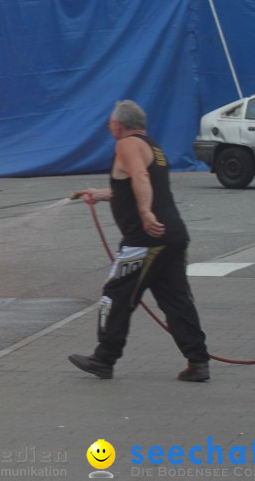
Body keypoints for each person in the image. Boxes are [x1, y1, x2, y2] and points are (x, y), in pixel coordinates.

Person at [68, 100, 211, 382]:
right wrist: (100, 193)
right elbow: (132, 185)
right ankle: (198, 361)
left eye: (110, 122)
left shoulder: (127, 144)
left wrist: (145, 213)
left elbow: (141, 178)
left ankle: (104, 359)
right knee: (177, 301)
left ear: (117, 125)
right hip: (172, 235)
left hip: (144, 239)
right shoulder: (153, 146)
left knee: (116, 296)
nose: (109, 127)